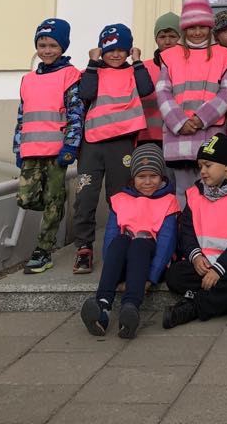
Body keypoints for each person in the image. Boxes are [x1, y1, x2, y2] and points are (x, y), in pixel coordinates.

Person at [71, 23, 153, 274]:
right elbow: (85, 92)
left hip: (122, 144)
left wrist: (137, 61)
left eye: (121, 50)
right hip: (93, 144)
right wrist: (93, 63)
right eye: (109, 50)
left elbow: (146, 89)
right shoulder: (92, 71)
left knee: (120, 197)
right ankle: (84, 247)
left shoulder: (133, 72)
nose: (115, 55)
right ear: (101, 50)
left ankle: (119, 242)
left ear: (129, 50)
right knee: (85, 197)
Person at [80, 143, 180, 339]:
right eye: (142, 177)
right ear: (133, 178)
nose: (148, 182)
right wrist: (114, 272)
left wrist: (151, 277)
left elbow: (166, 244)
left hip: (150, 264)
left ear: (162, 176)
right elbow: (110, 239)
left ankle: (131, 307)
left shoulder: (169, 201)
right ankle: (102, 307)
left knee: (140, 243)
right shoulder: (120, 200)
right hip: (125, 263)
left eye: (153, 176)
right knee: (119, 241)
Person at [162, 133, 227, 328]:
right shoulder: (194, 194)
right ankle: (226, 302)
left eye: (208, 165)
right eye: (200, 167)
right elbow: (186, 233)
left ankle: (191, 308)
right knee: (174, 275)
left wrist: (219, 268)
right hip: (203, 262)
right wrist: (196, 257)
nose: (203, 172)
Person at [13, 18, 83, 274]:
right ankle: (57, 205)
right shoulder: (28, 79)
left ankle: (43, 250)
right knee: (26, 197)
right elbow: (22, 117)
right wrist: (18, 148)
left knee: (53, 200)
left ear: (62, 47)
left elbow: (76, 113)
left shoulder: (70, 74)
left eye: (53, 45)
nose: (47, 50)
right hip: (31, 150)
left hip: (56, 152)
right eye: (42, 45)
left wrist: (71, 146)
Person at [156, 0, 227, 204]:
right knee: (183, 191)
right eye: (192, 27)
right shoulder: (170, 55)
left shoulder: (223, 55)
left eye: (202, 26)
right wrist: (179, 122)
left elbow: (226, 92)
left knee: (211, 191)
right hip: (180, 136)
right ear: (184, 28)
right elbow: (163, 91)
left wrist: (201, 118)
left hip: (209, 133)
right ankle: (185, 226)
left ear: (210, 27)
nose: (197, 32)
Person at [136, 12, 180, 146]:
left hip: (180, 136)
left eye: (172, 36)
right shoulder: (142, 69)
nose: (167, 41)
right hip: (147, 137)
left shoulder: (189, 68)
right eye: (162, 37)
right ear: (156, 39)